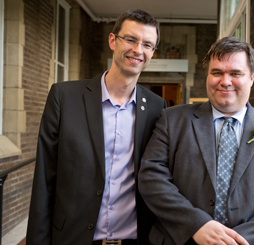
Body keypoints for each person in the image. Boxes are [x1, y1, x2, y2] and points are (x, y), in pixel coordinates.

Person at [138, 36, 254, 245]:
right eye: (217, 72)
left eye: (235, 73)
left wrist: (239, 239)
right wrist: (196, 224)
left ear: (252, 77)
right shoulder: (171, 120)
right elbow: (151, 178)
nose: (225, 81)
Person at [27, 9, 166, 245]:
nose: (138, 50)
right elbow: (44, 178)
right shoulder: (64, 97)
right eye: (130, 39)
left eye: (147, 44)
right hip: (74, 236)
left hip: (135, 239)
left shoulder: (156, 107)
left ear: (152, 52)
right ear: (113, 41)